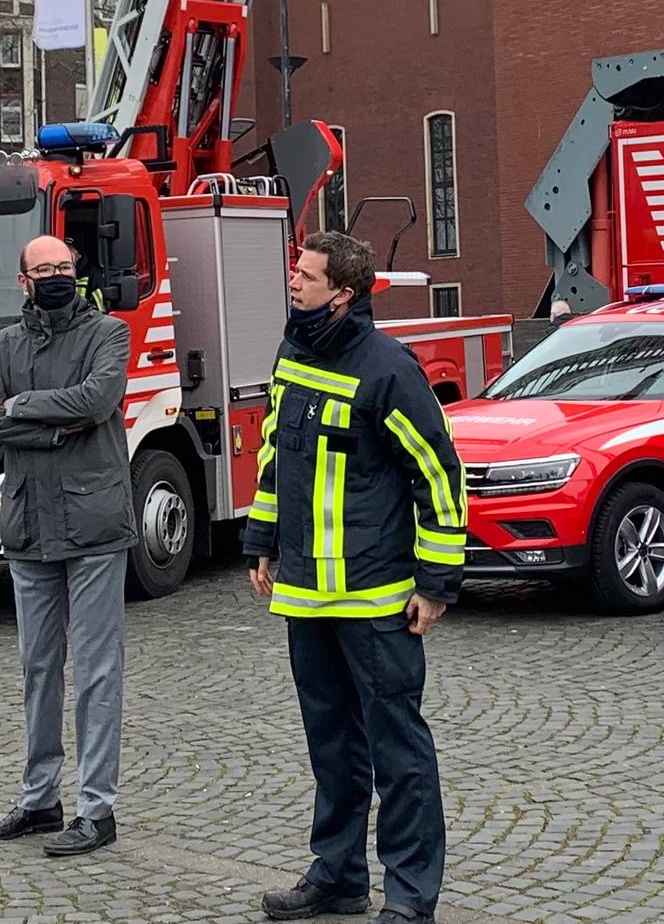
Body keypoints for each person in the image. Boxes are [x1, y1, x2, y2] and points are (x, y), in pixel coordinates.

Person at [244, 231, 467, 924]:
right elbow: (275, 458)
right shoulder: (293, 353)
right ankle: (337, 876)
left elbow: (437, 475)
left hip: (374, 600)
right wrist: (261, 540)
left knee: (398, 753)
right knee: (331, 746)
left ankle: (408, 897)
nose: (293, 283)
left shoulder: (388, 369)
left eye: (305, 277)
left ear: (341, 294)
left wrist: (434, 584)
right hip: (306, 594)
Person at [0, 235, 136, 858]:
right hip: (28, 526)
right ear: (24, 280)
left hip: (93, 525)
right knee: (39, 669)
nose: (58, 276)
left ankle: (98, 809)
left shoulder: (108, 334)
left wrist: (26, 407)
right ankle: (40, 799)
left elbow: (98, 401)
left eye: (65, 266)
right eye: (45, 270)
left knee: (96, 672)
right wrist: (55, 428)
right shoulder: (5, 344)